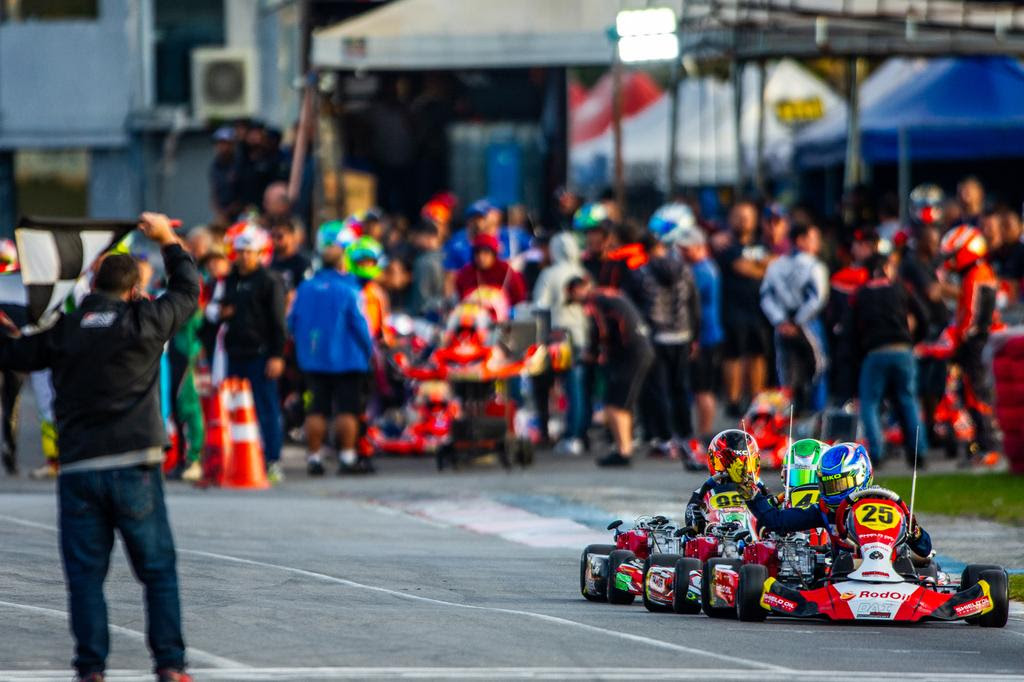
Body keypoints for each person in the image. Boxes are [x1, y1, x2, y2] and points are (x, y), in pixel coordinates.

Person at [0, 213, 198, 682]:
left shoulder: (66, 330)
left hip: (80, 469)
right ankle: (169, 665)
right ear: (133, 290)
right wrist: (168, 240)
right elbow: (188, 291)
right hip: (136, 465)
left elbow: (13, 354)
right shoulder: (147, 320)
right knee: (157, 572)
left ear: (90, 283)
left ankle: (90, 669)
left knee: (86, 577)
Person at [735, 442, 933, 559]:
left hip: (892, 570)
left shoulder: (888, 503)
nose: (834, 492)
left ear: (861, 475)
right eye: (828, 486)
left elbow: (924, 549)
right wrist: (752, 496)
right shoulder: (826, 510)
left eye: (839, 484)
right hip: (844, 575)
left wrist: (914, 533)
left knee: (924, 563)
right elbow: (777, 521)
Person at [289, 237, 374, 475]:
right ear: (342, 263)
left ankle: (314, 458)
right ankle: (347, 458)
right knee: (347, 409)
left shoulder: (304, 288)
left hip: (313, 360)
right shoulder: (350, 289)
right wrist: (369, 352)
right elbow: (360, 326)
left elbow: (292, 322)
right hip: (348, 360)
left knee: (316, 410)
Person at [211, 229, 287, 482]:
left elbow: (278, 322)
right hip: (234, 352)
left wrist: (277, 355)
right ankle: (236, 457)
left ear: (259, 253)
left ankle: (272, 459)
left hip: (260, 354)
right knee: (233, 408)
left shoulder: (269, 280)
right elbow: (217, 311)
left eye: (249, 252)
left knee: (266, 407)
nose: (244, 257)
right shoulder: (230, 280)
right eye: (240, 251)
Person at [567, 276, 654, 467]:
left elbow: (601, 330)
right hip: (639, 350)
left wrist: (593, 353)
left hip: (631, 353)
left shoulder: (596, 300)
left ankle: (623, 451)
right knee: (622, 404)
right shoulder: (608, 294)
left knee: (614, 405)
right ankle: (624, 447)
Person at [851, 253, 929, 466]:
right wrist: (914, 339)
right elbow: (923, 316)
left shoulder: (862, 293)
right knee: (908, 400)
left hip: (874, 352)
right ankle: (918, 452)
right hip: (902, 350)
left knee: (869, 403)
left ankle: (876, 453)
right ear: (886, 268)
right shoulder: (900, 288)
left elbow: (850, 330)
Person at [940, 225, 1003, 467]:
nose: (950, 261)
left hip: (977, 344)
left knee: (978, 396)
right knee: (971, 394)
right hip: (975, 343)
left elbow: (974, 317)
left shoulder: (978, 274)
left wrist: (960, 345)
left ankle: (988, 447)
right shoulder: (975, 274)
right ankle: (982, 446)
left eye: (953, 254)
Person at [759, 223, 829, 415]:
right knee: (818, 370)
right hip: (808, 324)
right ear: (800, 240)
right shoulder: (814, 265)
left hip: (782, 325)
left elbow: (766, 297)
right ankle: (816, 415)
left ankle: (788, 418)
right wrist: (797, 321)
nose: (817, 243)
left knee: (786, 373)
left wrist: (780, 320)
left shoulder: (776, 264)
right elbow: (819, 297)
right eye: (813, 238)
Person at [643, 230, 700, 457]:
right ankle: (686, 434)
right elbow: (693, 303)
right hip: (683, 334)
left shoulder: (645, 271)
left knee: (660, 389)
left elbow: (643, 305)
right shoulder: (685, 270)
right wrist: (695, 334)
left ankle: (666, 438)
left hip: (658, 337)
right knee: (681, 387)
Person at [532, 232, 587, 455]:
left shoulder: (548, 273)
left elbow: (539, 306)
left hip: (555, 337)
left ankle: (548, 431)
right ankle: (576, 434)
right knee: (576, 387)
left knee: (544, 384)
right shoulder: (582, 273)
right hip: (580, 337)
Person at [716, 201, 772, 417]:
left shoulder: (762, 245)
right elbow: (744, 268)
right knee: (734, 356)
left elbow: (774, 263)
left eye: (747, 216)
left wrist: (761, 265)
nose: (743, 221)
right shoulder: (726, 247)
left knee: (758, 354)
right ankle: (734, 400)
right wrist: (761, 266)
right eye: (738, 216)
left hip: (760, 311)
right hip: (733, 311)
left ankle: (756, 399)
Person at [676, 226, 723, 440]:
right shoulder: (704, 268)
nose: (682, 254)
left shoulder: (702, 271)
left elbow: (694, 307)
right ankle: (702, 433)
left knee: (703, 388)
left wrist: (695, 340)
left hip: (704, 337)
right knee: (700, 388)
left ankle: (704, 434)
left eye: (686, 249)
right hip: (704, 335)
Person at [683, 429, 767, 533]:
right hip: (718, 535)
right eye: (726, 464)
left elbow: (775, 513)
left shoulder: (759, 490)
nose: (734, 471)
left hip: (754, 536)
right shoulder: (704, 492)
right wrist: (696, 520)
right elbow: (691, 517)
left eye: (743, 464)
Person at [454, 233, 527, 308]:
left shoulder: (506, 271)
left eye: (486, 252)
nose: (481, 257)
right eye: (477, 253)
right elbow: (460, 297)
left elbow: (519, 298)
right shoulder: (466, 273)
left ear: (494, 254)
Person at [409, 222, 446, 318]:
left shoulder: (424, 262)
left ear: (428, 237)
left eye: (418, 236)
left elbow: (421, 297)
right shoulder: (447, 256)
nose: (414, 240)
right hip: (443, 312)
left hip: (425, 316)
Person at [269, 219, 311, 297]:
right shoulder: (270, 262)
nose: (274, 240)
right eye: (272, 236)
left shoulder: (302, 263)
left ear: (292, 236)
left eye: (279, 236)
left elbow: (307, 290)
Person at [209, 126, 240, 224]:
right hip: (222, 214)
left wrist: (228, 212)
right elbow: (215, 191)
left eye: (226, 143)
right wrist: (219, 212)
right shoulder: (215, 166)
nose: (222, 147)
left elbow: (244, 194)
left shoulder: (240, 164)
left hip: (240, 214)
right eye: (219, 143)